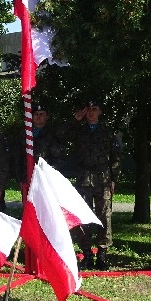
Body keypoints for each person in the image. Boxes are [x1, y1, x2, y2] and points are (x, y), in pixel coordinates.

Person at [58, 101, 121, 271]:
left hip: (103, 179)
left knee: (104, 216)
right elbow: (60, 136)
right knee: (82, 217)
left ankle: (102, 254)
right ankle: (86, 253)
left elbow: (116, 156)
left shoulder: (107, 131)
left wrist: (114, 178)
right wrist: (75, 120)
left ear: (100, 112)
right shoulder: (79, 130)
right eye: (88, 110)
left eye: (94, 109)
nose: (91, 112)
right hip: (84, 179)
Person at [14, 104, 64, 185]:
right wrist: (20, 179)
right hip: (27, 176)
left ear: (47, 117)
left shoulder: (52, 134)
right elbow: (18, 157)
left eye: (41, 114)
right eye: (36, 114)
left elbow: (57, 158)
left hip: (46, 177)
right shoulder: (25, 134)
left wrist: (50, 174)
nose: (38, 116)